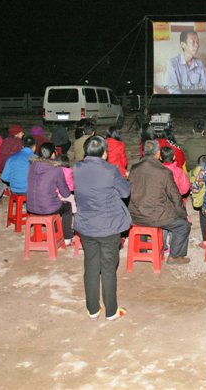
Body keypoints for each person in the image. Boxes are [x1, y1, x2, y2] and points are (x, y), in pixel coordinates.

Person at [73, 136, 131, 322]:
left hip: (86, 226)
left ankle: (92, 309)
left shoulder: (77, 168)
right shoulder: (110, 170)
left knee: (90, 267)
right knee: (107, 269)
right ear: (104, 153)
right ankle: (111, 311)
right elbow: (125, 191)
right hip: (108, 227)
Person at [128, 140, 191, 264]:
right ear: (158, 153)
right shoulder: (163, 172)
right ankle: (175, 256)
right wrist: (184, 215)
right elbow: (175, 197)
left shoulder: (134, 169)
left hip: (136, 215)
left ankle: (143, 249)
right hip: (156, 216)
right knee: (183, 225)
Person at [27, 142, 74, 245]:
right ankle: (67, 237)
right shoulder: (56, 169)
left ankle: (57, 232)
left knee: (54, 202)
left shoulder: (31, 166)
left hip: (30, 206)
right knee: (67, 206)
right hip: (47, 207)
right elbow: (65, 193)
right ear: (53, 154)